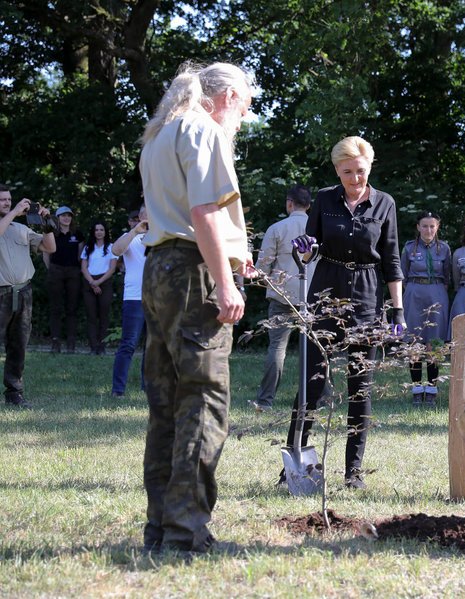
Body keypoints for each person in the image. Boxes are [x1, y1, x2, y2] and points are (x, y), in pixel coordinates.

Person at [138, 61, 255, 554]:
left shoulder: (160, 134)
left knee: (165, 405)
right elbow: (205, 212)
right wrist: (225, 282)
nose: (241, 121)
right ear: (227, 97)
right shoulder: (203, 129)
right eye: (245, 109)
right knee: (203, 400)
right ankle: (187, 534)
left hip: (159, 269)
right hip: (194, 275)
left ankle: (160, 529)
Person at [288, 135, 405, 490]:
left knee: (360, 387)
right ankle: (293, 466)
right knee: (312, 384)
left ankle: (353, 473)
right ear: (337, 171)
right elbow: (308, 251)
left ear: (370, 167)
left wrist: (397, 310)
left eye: (361, 171)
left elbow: (392, 259)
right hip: (325, 293)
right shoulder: (324, 199)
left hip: (368, 298)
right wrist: (304, 250)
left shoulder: (385, 203)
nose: (355, 178)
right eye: (347, 172)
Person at [252, 184, 312, 412]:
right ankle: (323, 398)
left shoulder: (277, 228)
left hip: (282, 296)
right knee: (317, 348)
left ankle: (265, 401)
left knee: (277, 348)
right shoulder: (319, 228)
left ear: (289, 203)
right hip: (312, 296)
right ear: (309, 205)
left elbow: (263, 265)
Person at [0, 185, 57, 407]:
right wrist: (14, 211)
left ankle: (14, 392)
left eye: (9, 200)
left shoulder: (20, 229)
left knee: (19, 344)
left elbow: (49, 247)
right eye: (2, 200)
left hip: (23, 292)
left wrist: (46, 223)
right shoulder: (8, 221)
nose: (6, 203)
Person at [401, 210, 451, 406]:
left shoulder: (445, 249)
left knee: (434, 343)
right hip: (414, 293)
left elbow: (448, 276)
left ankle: (431, 389)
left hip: (437, 292)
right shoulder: (409, 248)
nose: (428, 229)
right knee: (414, 342)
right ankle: (416, 389)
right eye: (424, 226)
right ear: (418, 227)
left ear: (437, 227)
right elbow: (402, 274)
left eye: (432, 226)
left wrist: (436, 291)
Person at [110, 206, 148, 397]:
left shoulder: (165, 235)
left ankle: (148, 387)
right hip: (134, 298)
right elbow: (115, 250)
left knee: (154, 346)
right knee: (128, 344)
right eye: (146, 212)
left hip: (159, 298)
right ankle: (118, 390)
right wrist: (135, 231)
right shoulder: (131, 237)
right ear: (140, 216)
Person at [43, 205, 83, 353]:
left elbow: (80, 255)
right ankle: (55, 343)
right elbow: (46, 253)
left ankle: (71, 344)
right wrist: (52, 269)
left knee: (72, 308)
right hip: (56, 270)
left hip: (73, 272)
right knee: (55, 308)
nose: (66, 218)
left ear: (72, 218)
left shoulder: (78, 234)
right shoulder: (52, 232)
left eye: (69, 215)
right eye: (63, 215)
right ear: (57, 218)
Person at [80, 221, 118, 355]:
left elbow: (112, 268)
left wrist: (99, 282)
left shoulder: (112, 247)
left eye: (101, 229)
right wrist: (92, 282)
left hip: (105, 282)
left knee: (104, 316)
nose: (99, 232)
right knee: (91, 317)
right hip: (89, 282)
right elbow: (83, 268)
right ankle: (93, 347)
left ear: (105, 232)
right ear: (93, 232)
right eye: (96, 230)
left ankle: (102, 347)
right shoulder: (87, 248)